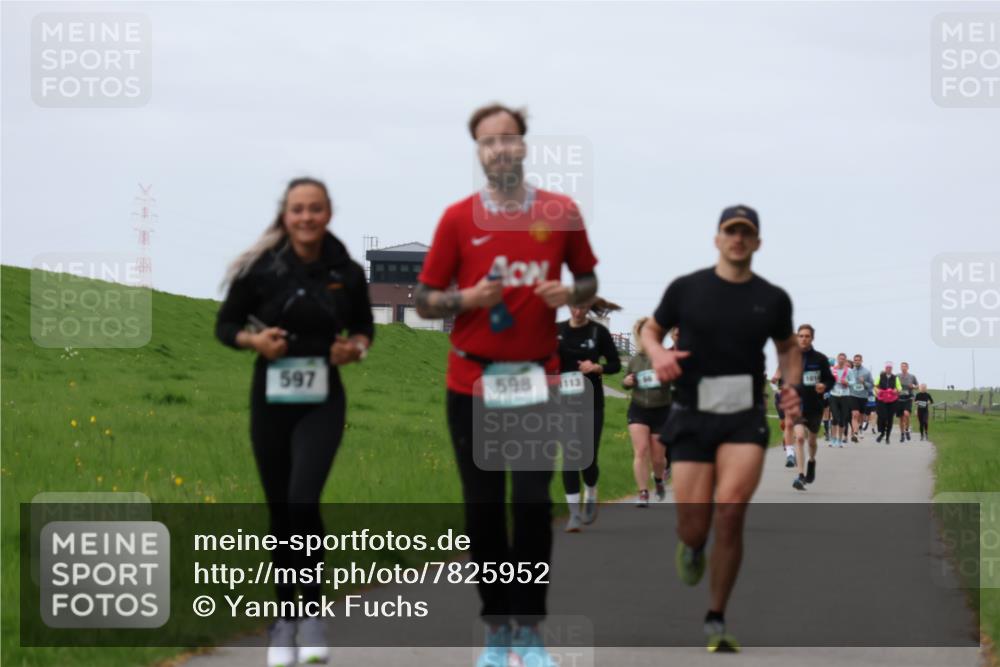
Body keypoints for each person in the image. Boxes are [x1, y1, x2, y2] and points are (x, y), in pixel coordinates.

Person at [414, 103, 599, 667]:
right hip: (471, 381)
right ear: (478, 153)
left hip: (536, 379)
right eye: (486, 143)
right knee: (484, 510)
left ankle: (530, 629)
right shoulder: (456, 220)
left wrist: (571, 296)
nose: (499, 150)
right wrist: (465, 300)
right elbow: (423, 301)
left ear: (523, 146)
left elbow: (588, 278)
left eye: (508, 139)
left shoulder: (560, 212)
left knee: (530, 503)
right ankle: (497, 629)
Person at [215, 177, 374, 667]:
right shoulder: (260, 269)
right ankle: (283, 623)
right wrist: (254, 343)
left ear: (329, 213)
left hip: (322, 398)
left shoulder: (345, 271)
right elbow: (225, 326)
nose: (306, 217)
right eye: (297, 209)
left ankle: (311, 615)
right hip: (270, 398)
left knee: (303, 501)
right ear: (285, 215)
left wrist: (355, 350)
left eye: (316, 209)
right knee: (281, 512)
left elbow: (364, 328)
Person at [641, 204, 802, 652]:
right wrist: (658, 355)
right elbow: (651, 331)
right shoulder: (687, 289)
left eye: (746, 233)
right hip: (692, 414)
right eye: (730, 231)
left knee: (730, 511)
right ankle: (691, 546)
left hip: (744, 417)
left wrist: (789, 386)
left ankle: (716, 617)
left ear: (757, 243)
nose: (737, 239)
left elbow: (789, 349)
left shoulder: (772, 298)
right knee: (695, 526)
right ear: (717, 239)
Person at [557, 298, 622, 530]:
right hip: (564, 402)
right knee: (570, 455)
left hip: (591, 403)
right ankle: (574, 514)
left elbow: (616, 364)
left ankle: (591, 491)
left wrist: (597, 368)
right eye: (574, 306)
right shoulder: (558, 331)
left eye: (582, 307)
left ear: (588, 308)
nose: (577, 311)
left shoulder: (598, 332)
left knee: (588, 457)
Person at [622, 318, 673, 507]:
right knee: (641, 451)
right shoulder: (635, 360)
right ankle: (642, 492)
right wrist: (626, 382)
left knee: (658, 458)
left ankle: (658, 480)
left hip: (661, 410)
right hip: (638, 409)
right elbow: (625, 381)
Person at [791, 325, 834, 490]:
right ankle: (800, 476)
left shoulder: (820, 359)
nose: (803, 339)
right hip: (797, 404)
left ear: (812, 338)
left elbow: (830, 380)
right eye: (800, 336)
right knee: (800, 438)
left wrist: (824, 385)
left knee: (812, 441)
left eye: (807, 336)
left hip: (815, 405)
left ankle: (812, 461)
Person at [770, 369, 796, 467]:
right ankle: (788, 441)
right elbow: (775, 377)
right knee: (783, 423)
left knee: (789, 423)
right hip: (781, 395)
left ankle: (790, 452)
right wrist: (774, 379)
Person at [848, 354, 874, 441]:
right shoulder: (850, 371)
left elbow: (871, 385)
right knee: (855, 414)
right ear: (854, 361)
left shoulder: (867, 372)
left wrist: (864, 383)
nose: (856, 361)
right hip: (853, 395)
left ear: (861, 361)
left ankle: (859, 428)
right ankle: (855, 433)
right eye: (855, 360)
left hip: (863, 396)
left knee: (861, 416)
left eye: (858, 360)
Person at [874, 362, 901, 443]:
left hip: (892, 400)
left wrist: (897, 390)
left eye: (890, 368)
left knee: (890, 419)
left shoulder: (895, 377)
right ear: (885, 368)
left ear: (892, 369)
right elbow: (875, 385)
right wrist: (877, 390)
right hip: (882, 399)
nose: (888, 369)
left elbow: (899, 387)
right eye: (887, 368)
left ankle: (887, 437)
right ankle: (882, 433)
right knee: (882, 417)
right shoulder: (880, 376)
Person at [828, 353, 852, 447]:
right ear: (837, 359)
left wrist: (847, 382)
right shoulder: (832, 370)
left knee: (842, 419)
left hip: (845, 395)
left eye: (843, 359)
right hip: (834, 395)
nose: (841, 360)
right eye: (840, 358)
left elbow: (853, 381)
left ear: (845, 360)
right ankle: (833, 438)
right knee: (835, 417)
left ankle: (840, 439)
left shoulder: (849, 371)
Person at [896, 361, 919, 443]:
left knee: (906, 414)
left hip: (908, 398)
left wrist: (913, 386)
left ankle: (907, 429)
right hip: (899, 398)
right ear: (900, 367)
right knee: (901, 418)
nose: (903, 368)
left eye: (905, 366)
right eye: (902, 366)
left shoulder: (912, 376)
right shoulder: (897, 376)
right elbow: (893, 385)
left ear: (907, 368)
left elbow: (917, 386)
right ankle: (902, 434)